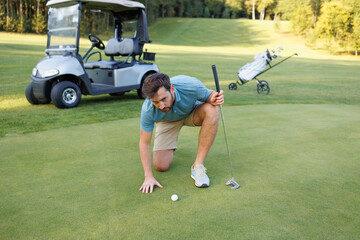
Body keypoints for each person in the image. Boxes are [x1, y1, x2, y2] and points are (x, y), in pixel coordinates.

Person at [138, 73, 224, 194]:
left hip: (191, 113)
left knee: (212, 110)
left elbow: (208, 96)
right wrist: (148, 176)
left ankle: (198, 166)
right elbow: (144, 143)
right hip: (166, 121)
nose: (161, 106)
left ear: (172, 89)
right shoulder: (148, 109)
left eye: (164, 99)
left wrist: (214, 98)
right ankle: (169, 147)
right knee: (160, 166)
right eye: (156, 102)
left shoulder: (190, 85)